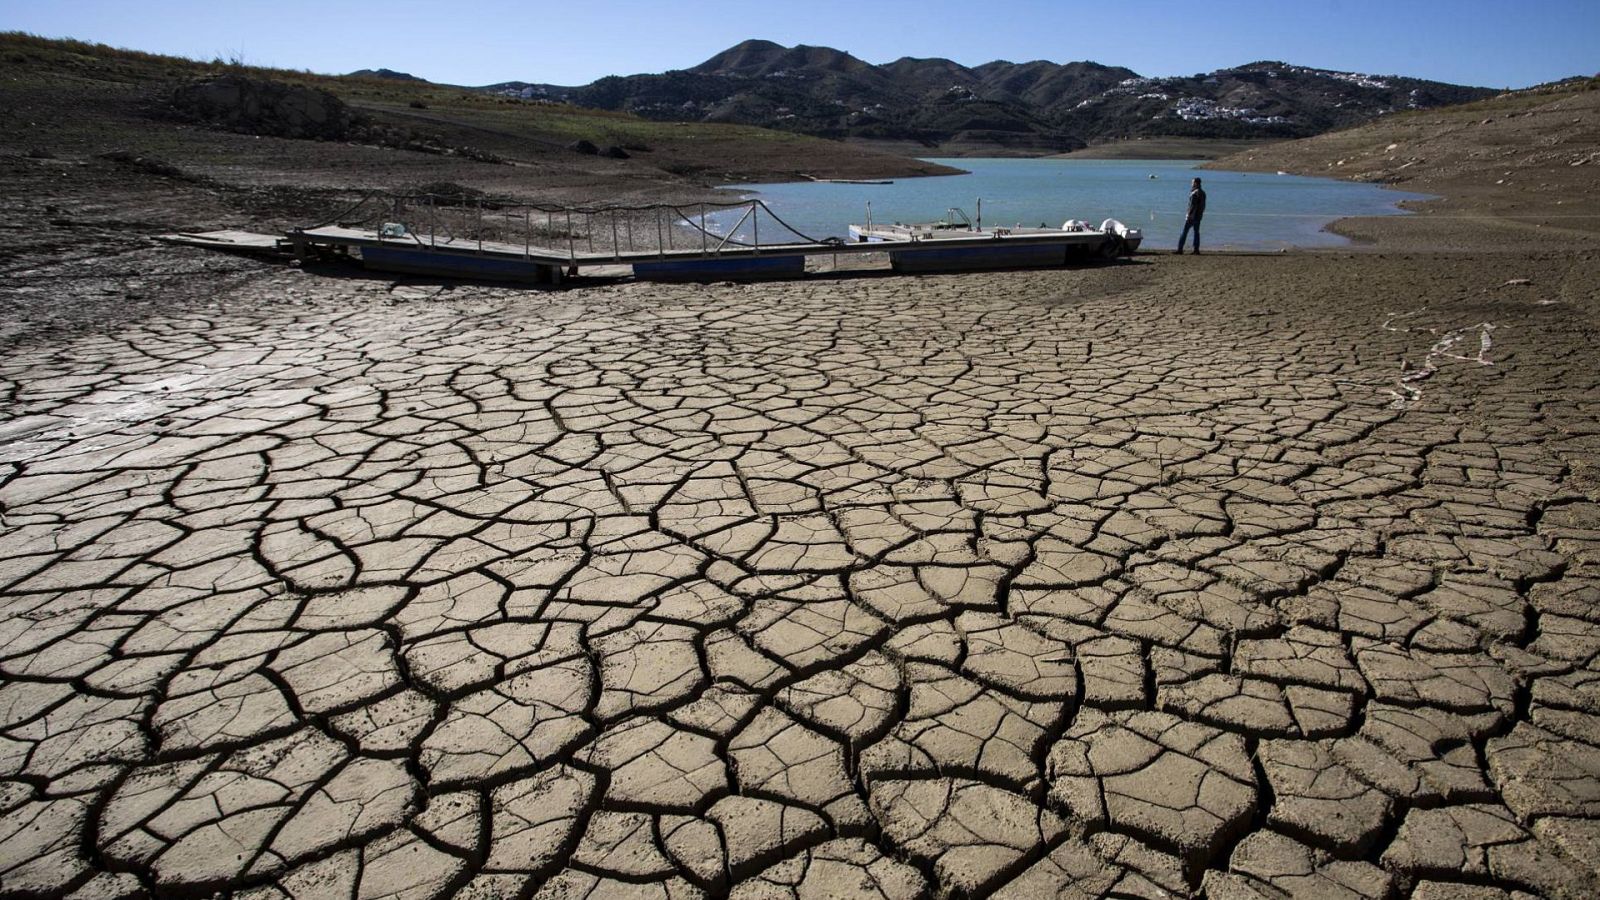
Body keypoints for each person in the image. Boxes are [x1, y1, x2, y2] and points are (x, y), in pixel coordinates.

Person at [1175, 177, 1205, 254]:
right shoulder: (1203, 192)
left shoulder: (1195, 193)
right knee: (1196, 232)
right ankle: (1196, 249)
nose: (1191, 184)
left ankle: (1180, 249)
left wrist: (1189, 215)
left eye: (1192, 182)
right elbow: (1202, 206)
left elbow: (1192, 205)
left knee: (1184, 232)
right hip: (1198, 216)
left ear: (1195, 183)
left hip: (1192, 216)